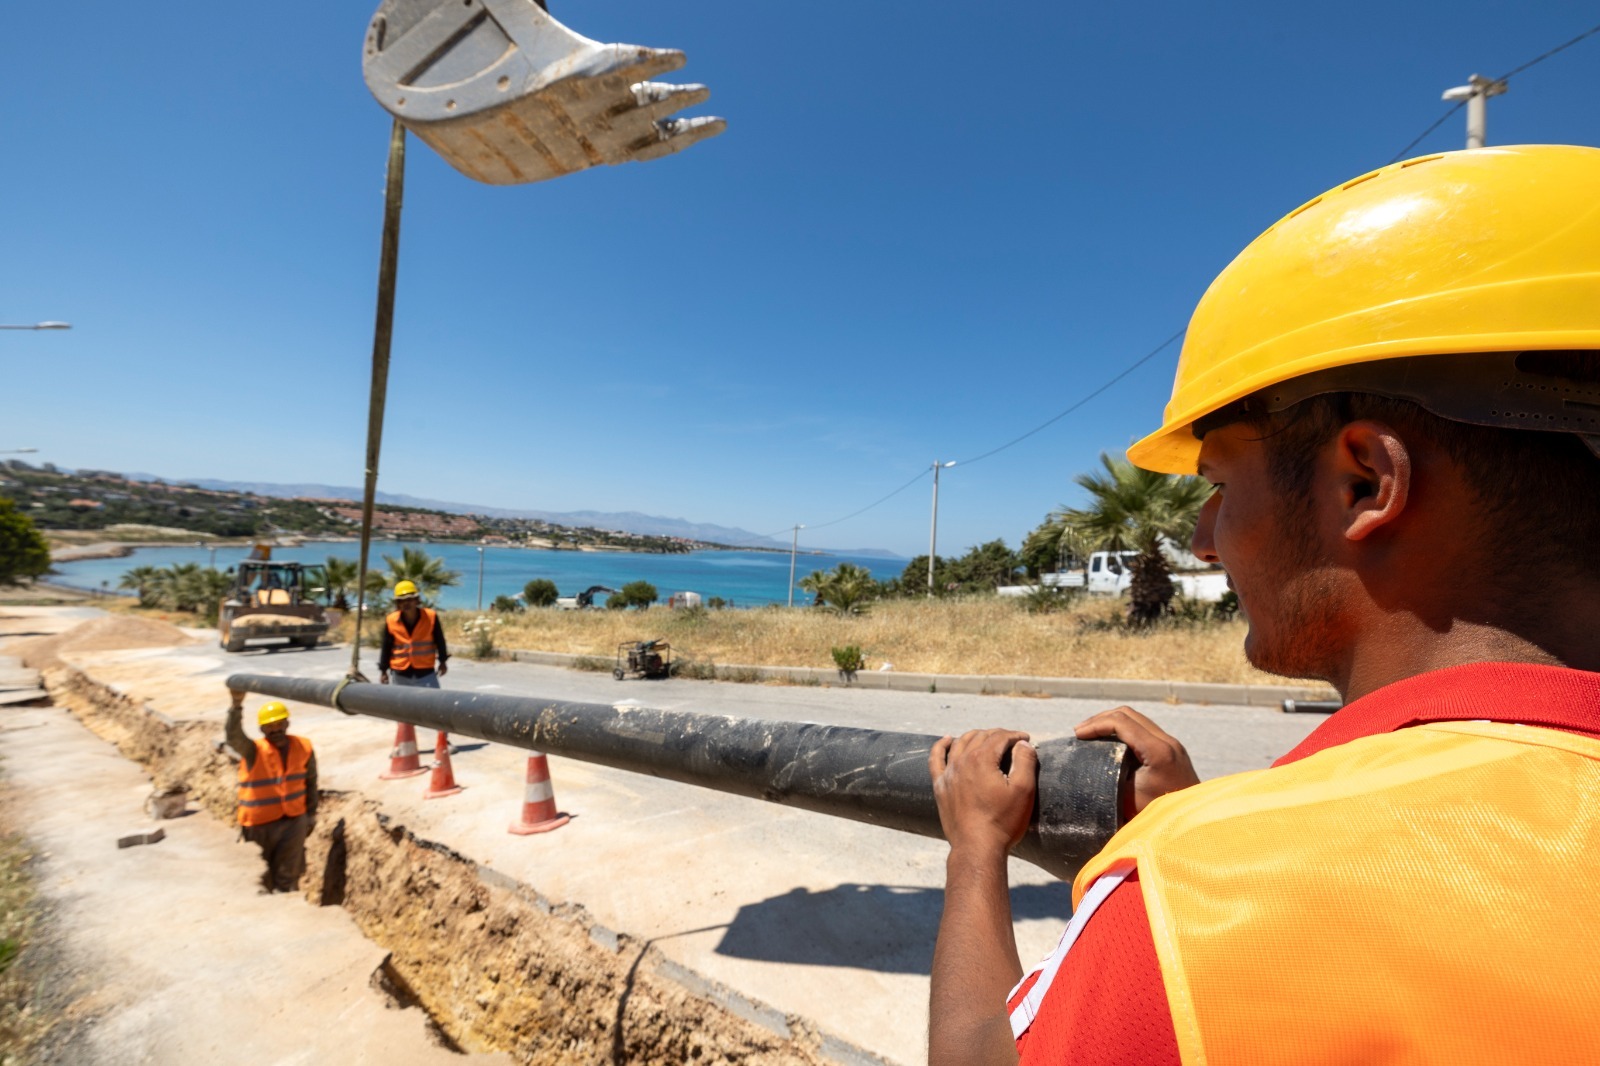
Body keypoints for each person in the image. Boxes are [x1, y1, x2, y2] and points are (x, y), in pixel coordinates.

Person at [928, 144, 1600, 1066]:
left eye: (1219, 485)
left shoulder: (1204, 905)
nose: (1205, 540)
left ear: (1366, 482)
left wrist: (975, 846)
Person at [226, 697, 317, 894]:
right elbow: (233, 738)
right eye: (269, 726)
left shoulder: (304, 747)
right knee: (260, 875)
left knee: (287, 874)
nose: (275, 730)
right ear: (261, 729)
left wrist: (311, 814)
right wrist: (236, 707)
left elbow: (311, 782)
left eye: (279, 724)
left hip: (293, 822)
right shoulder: (252, 750)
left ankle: (287, 911)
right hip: (259, 824)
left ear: (287, 723)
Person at [379, 579, 450, 688]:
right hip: (400, 673)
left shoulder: (430, 617)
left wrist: (443, 661)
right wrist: (383, 671)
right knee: (401, 704)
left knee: (430, 703)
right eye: (401, 600)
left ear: (417, 600)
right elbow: (386, 646)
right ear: (398, 603)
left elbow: (440, 640)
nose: (406, 603)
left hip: (425, 672)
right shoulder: (391, 620)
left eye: (409, 599)